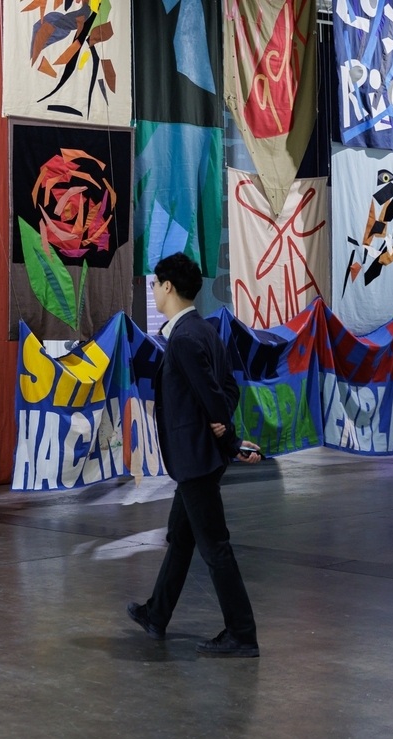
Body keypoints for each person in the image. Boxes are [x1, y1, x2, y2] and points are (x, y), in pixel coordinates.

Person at [126, 253, 263, 658]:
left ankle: (242, 633)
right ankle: (156, 614)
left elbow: (213, 397)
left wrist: (228, 437)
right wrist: (220, 426)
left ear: (168, 287)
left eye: (155, 284)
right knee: (181, 538)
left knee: (215, 547)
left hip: (196, 460)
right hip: (200, 459)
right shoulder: (204, 331)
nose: (153, 290)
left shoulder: (185, 338)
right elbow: (228, 390)